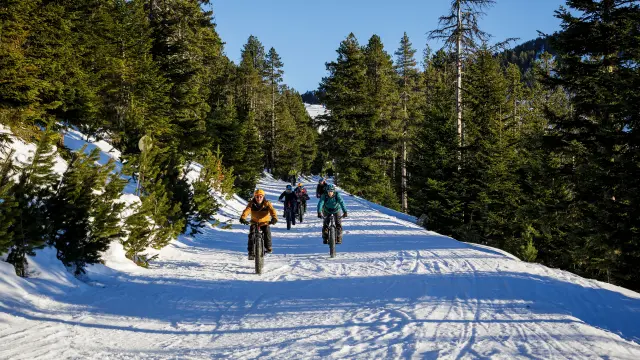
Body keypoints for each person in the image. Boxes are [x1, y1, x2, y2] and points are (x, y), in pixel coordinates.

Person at [240, 189, 277, 260]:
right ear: (254, 197)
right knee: (251, 234)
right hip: (254, 222)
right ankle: (251, 252)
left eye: (260, 196)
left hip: (264, 222)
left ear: (263, 197)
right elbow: (247, 210)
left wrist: (274, 218)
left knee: (267, 231)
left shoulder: (267, 203)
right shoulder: (251, 203)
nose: (259, 198)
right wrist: (243, 218)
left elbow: (272, 211)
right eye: (257, 197)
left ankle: (268, 247)